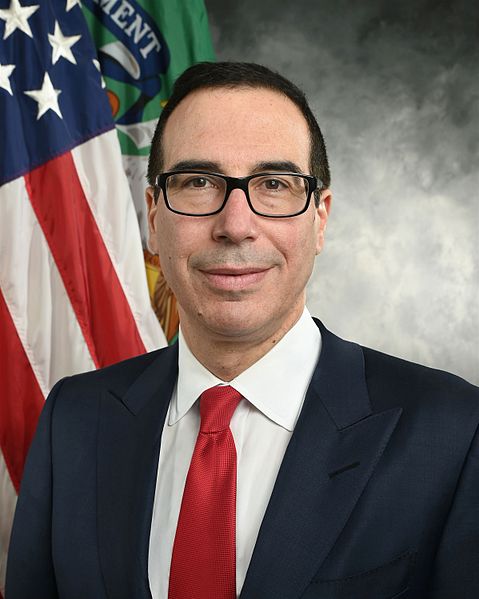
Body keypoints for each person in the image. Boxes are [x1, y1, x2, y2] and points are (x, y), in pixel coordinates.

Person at [6, 62, 479, 599]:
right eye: (198, 182)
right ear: (153, 216)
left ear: (320, 218)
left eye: (274, 184)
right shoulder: (73, 421)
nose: (235, 225)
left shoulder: (454, 432)